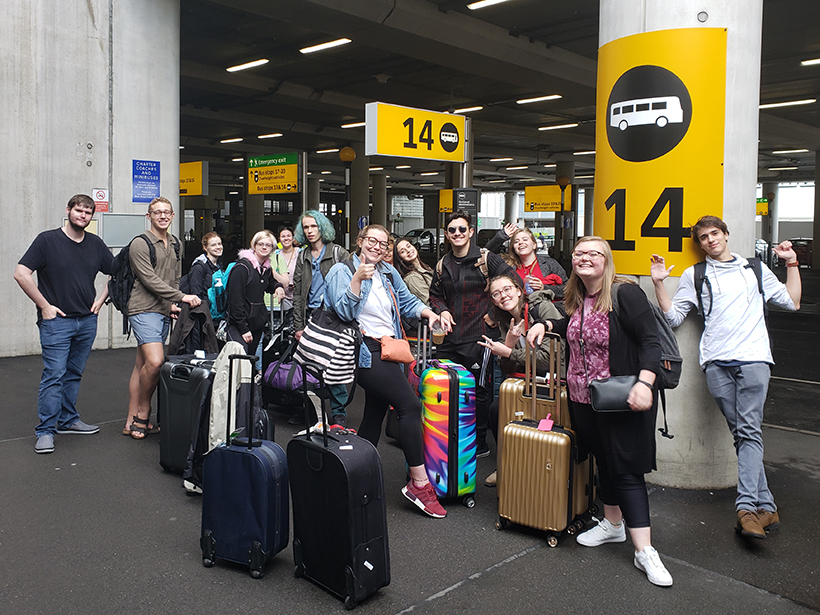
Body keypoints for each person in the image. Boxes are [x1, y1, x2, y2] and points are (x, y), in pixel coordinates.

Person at [527, 236, 673, 587]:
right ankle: (612, 525)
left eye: (593, 253)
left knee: (625, 470)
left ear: (606, 260)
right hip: (582, 398)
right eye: (579, 253)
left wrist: (645, 382)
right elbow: (570, 327)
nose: (584, 258)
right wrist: (545, 325)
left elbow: (650, 340)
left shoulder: (625, 294)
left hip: (620, 397)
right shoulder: (577, 297)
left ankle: (645, 551)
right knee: (604, 461)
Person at [650, 215, 801, 540]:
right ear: (700, 243)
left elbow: (792, 301)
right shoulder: (696, 274)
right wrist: (660, 283)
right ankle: (768, 507)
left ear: (726, 234)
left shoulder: (755, 269)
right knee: (744, 434)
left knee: (747, 431)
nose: (710, 240)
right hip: (716, 363)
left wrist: (792, 264)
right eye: (703, 237)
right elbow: (674, 317)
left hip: (754, 360)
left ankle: (746, 508)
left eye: (714, 233)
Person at [324, 224, 447, 518]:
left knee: (375, 413)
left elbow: (406, 303)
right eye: (372, 241)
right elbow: (342, 312)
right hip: (365, 351)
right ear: (360, 242)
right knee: (409, 405)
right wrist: (356, 280)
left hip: (390, 347)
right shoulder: (342, 271)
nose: (377, 247)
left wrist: (429, 312)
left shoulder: (388, 273)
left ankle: (353, 476)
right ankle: (419, 483)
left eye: (383, 243)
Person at [14, 194, 114, 454]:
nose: (83, 216)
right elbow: (21, 273)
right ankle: (45, 430)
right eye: (79, 211)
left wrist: (101, 300)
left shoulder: (95, 244)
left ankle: (68, 420)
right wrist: (45, 306)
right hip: (57, 322)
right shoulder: (47, 240)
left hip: (86, 321)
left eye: (88, 213)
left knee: (73, 374)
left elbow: (117, 272)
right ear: (68, 210)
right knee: (54, 376)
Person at [429, 210, 518, 458]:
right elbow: (434, 296)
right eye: (452, 230)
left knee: (477, 392)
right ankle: (451, 436)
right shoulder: (442, 264)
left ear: (470, 232)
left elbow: (514, 283)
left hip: (479, 337)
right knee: (446, 387)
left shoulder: (486, 258)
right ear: (447, 235)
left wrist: (494, 312)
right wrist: (443, 311)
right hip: (449, 338)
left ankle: (479, 441)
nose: (457, 233)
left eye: (461, 229)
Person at [124, 197, 202, 439]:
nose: (163, 216)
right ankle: (143, 413)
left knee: (143, 366)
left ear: (173, 215)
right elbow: (149, 279)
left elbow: (175, 278)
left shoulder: (176, 244)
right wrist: (182, 297)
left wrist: (171, 303)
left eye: (167, 212)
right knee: (156, 362)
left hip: (162, 309)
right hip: (142, 308)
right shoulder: (140, 243)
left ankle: (129, 420)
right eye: (157, 213)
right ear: (149, 216)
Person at [476, 273, 563, 487]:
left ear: (518, 289)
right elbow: (507, 368)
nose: (503, 296)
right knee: (497, 409)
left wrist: (507, 351)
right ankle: (506, 463)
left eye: (507, 289)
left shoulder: (541, 308)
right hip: (526, 382)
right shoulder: (506, 319)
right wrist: (509, 343)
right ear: (494, 301)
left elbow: (547, 360)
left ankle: (547, 471)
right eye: (496, 294)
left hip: (554, 382)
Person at [293, 210, 350, 426]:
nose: (309, 231)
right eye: (306, 227)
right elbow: (298, 293)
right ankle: (313, 410)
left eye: (313, 226)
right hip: (311, 317)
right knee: (310, 364)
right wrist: (298, 326)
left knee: (334, 365)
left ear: (322, 228)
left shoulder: (338, 253)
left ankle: (338, 412)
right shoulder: (303, 256)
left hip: (333, 317)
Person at [225, 230, 285, 354]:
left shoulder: (265, 268)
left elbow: (269, 283)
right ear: (254, 245)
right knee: (240, 363)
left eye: (268, 245)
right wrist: (243, 328)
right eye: (260, 244)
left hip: (256, 325)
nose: (264, 247)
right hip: (239, 326)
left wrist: (278, 287)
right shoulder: (242, 268)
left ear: (273, 248)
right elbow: (235, 301)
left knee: (251, 363)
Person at [486, 224, 567, 299]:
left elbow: (567, 289)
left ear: (534, 245)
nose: (521, 243)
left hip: (543, 311)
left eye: (525, 239)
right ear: (513, 247)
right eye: (516, 241)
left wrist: (544, 288)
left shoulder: (550, 264)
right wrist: (501, 236)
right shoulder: (507, 264)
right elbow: (485, 254)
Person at [274, 225, 300, 329]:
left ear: (293, 238)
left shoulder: (300, 253)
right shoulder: (275, 255)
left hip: (298, 293)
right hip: (282, 295)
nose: (286, 238)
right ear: (279, 239)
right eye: (283, 236)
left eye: (288, 236)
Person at [187, 231, 223, 305]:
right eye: (213, 245)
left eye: (219, 244)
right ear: (205, 247)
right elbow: (195, 294)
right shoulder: (199, 267)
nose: (218, 247)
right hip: (205, 311)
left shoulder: (219, 265)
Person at [394, 238, 434, 303]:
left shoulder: (425, 267)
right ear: (400, 258)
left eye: (408, 246)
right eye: (402, 251)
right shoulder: (412, 278)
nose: (408, 250)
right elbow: (428, 303)